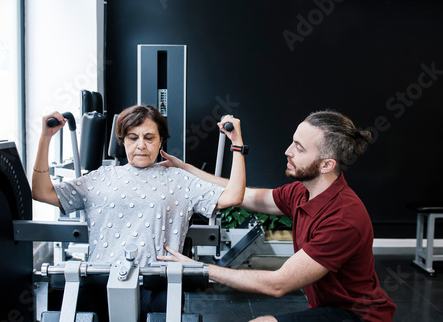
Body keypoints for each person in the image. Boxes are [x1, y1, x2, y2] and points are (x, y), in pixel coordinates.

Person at [158, 110, 397, 322]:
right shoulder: (302, 192)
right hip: (329, 308)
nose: (288, 151)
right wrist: (185, 168)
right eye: (293, 142)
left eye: (299, 148)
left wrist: (199, 268)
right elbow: (243, 195)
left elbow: (277, 284)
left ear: (327, 165)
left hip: (358, 315)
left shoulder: (343, 219)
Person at [31, 104, 246, 319]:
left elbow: (234, 196)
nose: (141, 145)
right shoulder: (100, 178)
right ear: (123, 141)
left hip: (158, 282)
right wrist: (45, 137)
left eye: (149, 138)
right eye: (133, 138)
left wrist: (236, 143)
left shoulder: (179, 179)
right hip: (101, 280)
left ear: (161, 141)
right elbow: (42, 193)